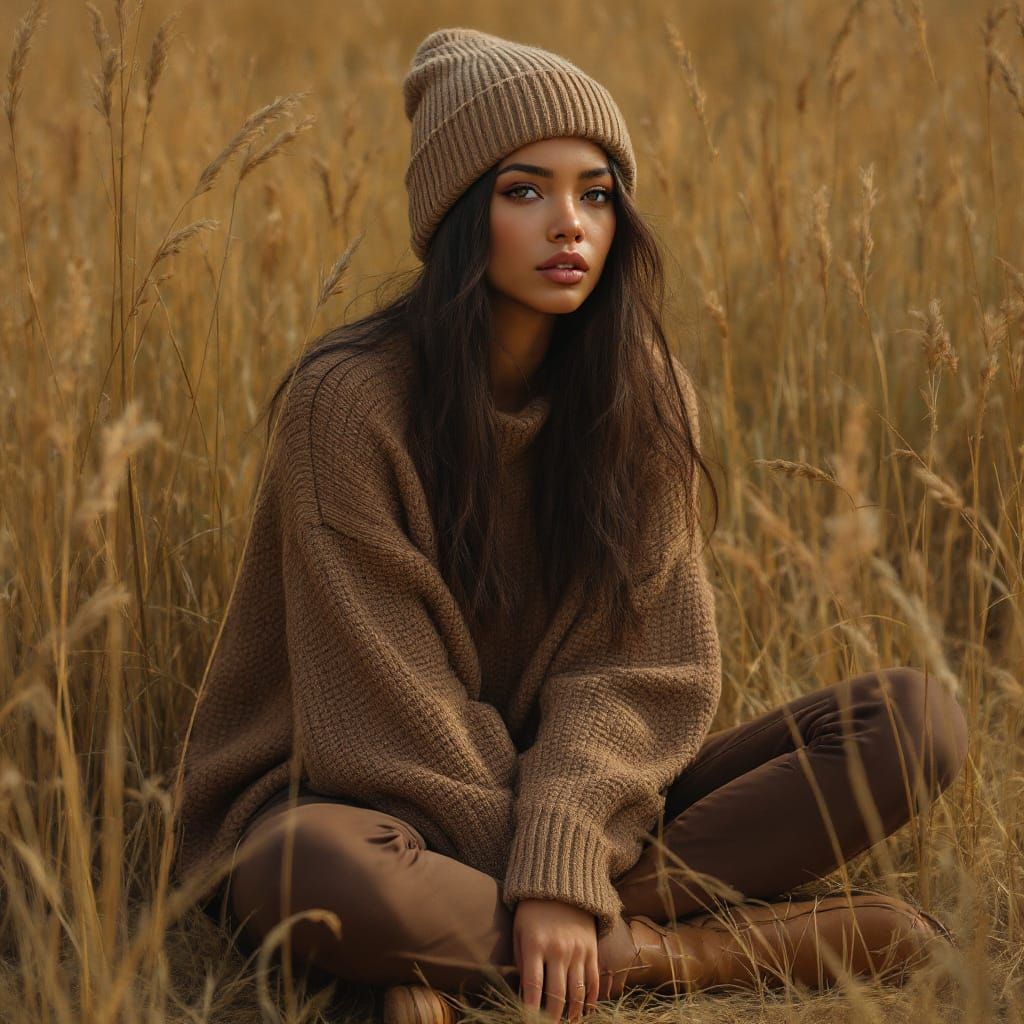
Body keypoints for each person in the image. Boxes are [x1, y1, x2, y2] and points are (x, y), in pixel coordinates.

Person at [171, 26, 969, 1024]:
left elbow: (640, 672)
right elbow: (383, 717)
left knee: (909, 720)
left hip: (577, 799)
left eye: (595, 192)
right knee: (315, 870)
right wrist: (549, 870)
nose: (569, 223)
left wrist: (564, 857)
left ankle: (464, 961)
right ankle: (683, 955)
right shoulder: (347, 404)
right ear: (463, 214)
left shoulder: (641, 395)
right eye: (526, 191)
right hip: (357, 807)